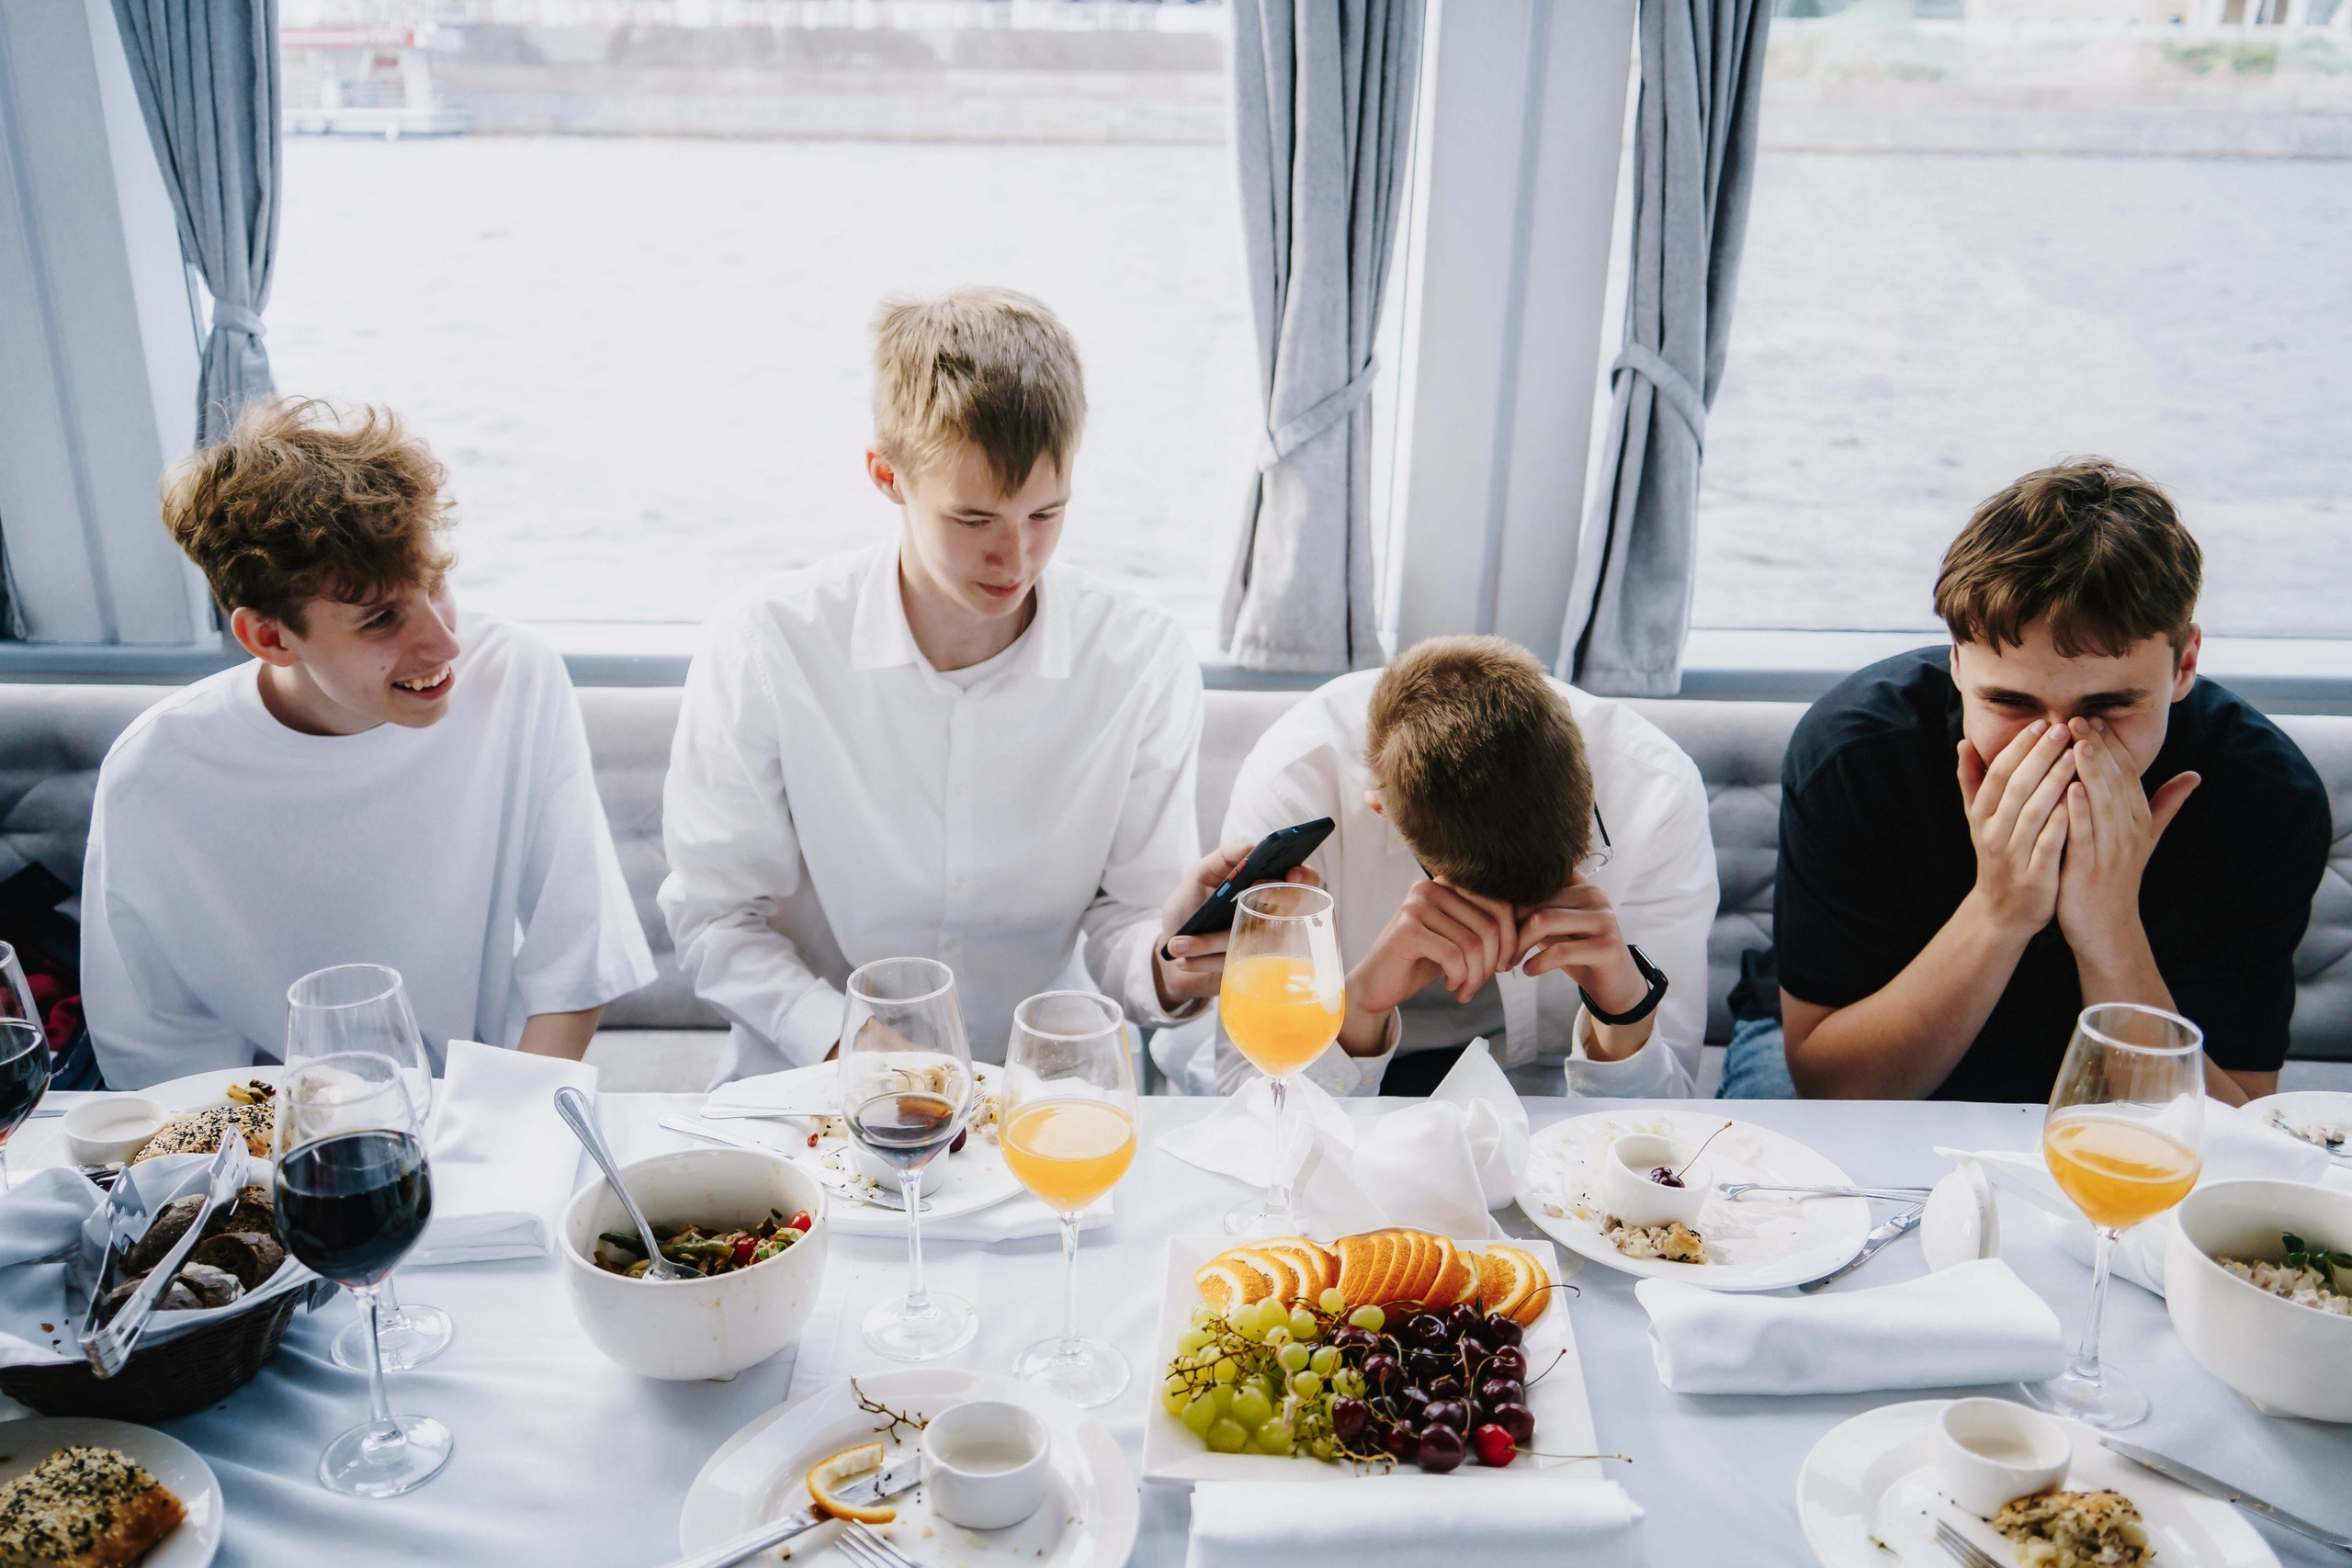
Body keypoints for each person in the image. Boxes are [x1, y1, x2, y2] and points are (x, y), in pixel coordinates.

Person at [661, 288, 1230, 1080]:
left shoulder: (1142, 660)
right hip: (812, 1085)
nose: (1017, 559)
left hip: (1042, 1094)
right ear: (886, 475)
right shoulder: (765, 645)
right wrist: (857, 1046)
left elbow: (1127, 923)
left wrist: (1171, 961)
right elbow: (716, 919)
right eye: (975, 520)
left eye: (1046, 515)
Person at [82, 399, 655, 1089]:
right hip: (272, 1129)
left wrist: (499, 1126)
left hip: (482, 1104)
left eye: (436, 586)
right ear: (270, 636)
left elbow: (576, 959)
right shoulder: (154, 772)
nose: (445, 643)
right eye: (381, 618)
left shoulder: (514, 676)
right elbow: (157, 1048)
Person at [1768, 458, 2329, 1104]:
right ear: (1957, 663)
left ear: (2185, 665)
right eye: (2011, 702)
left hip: (2114, 1089)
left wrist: (2109, 927)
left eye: (2109, 706)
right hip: (1867, 1042)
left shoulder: (2266, 797)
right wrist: (2000, 910)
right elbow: (1834, 1091)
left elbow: (2229, 1124)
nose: (2059, 742)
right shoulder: (1856, 756)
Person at [1163, 636, 1717, 1098]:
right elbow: (1250, 1097)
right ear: (1380, 806)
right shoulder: (1295, 780)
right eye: (1472, 892)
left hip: (1549, 1096)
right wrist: (1356, 1007)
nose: (1510, 939)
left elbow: (1670, 1126)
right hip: (1346, 1089)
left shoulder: (1656, 792)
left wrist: (1624, 1015)